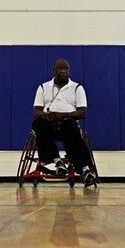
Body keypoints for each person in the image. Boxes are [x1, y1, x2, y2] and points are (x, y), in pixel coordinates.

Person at [32, 59, 96, 187]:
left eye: (65, 68)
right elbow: (37, 111)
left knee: (71, 126)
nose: (62, 71)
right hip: (47, 124)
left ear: (69, 70)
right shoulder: (43, 87)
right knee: (38, 123)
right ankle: (58, 162)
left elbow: (82, 113)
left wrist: (60, 116)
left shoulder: (77, 88)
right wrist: (50, 116)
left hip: (68, 125)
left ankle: (85, 170)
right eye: (59, 68)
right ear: (53, 71)